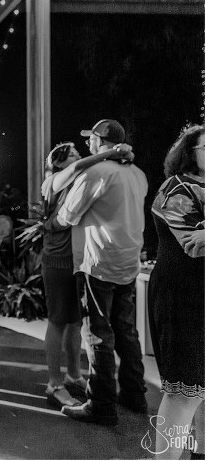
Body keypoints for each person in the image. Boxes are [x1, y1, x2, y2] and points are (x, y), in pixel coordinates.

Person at [57, 119, 149, 426]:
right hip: (129, 264)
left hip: (100, 264)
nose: (88, 144)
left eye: (91, 139)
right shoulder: (137, 174)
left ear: (101, 141)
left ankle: (101, 404)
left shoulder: (96, 172)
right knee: (126, 332)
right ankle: (135, 395)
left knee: (97, 334)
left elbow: (67, 215)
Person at [40, 141, 134, 408]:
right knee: (58, 320)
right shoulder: (54, 181)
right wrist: (111, 152)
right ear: (58, 163)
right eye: (72, 155)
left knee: (73, 322)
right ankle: (54, 384)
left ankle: (73, 375)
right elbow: (81, 167)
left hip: (76, 261)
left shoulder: (77, 185)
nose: (79, 157)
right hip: (58, 262)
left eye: (78, 153)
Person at [148, 124, 204, 459]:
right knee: (185, 389)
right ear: (190, 151)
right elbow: (194, 244)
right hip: (182, 296)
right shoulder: (177, 188)